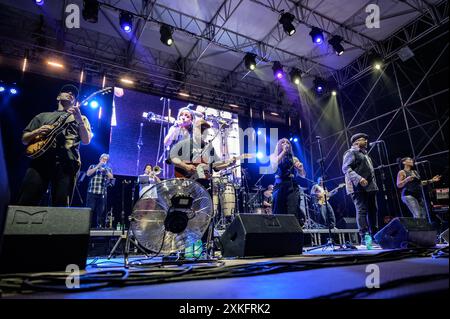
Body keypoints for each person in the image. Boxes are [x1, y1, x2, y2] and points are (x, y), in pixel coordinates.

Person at [17, 85, 92, 206]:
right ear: (58, 97)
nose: (70, 93)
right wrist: (37, 131)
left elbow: (86, 140)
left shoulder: (81, 118)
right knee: (26, 201)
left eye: (73, 93)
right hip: (40, 161)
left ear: (75, 101)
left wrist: (79, 120)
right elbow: (24, 140)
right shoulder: (42, 116)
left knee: (61, 206)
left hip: (67, 163)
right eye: (66, 91)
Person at [342, 133, 378, 241]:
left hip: (370, 187)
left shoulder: (365, 154)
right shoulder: (351, 152)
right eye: (363, 140)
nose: (366, 141)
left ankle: (375, 235)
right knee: (362, 210)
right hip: (357, 187)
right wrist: (359, 178)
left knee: (373, 210)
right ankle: (364, 237)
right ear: (356, 142)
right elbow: (346, 168)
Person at [270, 138, 306, 225]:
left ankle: (293, 233)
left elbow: (303, 175)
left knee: (292, 211)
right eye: (283, 142)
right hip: (279, 185)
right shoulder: (273, 156)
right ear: (279, 145)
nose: (286, 144)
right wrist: (283, 152)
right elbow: (274, 165)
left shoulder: (294, 158)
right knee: (278, 211)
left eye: (288, 143)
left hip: (292, 186)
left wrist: (301, 169)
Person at [86, 153, 114, 228]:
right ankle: (86, 227)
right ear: (100, 159)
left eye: (106, 160)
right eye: (103, 159)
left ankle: (99, 228)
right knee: (89, 211)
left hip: (102, 194)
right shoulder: (92, 166)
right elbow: (88, 174)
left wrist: (106, 171)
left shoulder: (108, 169)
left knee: (100, 213)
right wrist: (98, 166)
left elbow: (111, 177)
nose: (104, 161)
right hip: (92, 192)